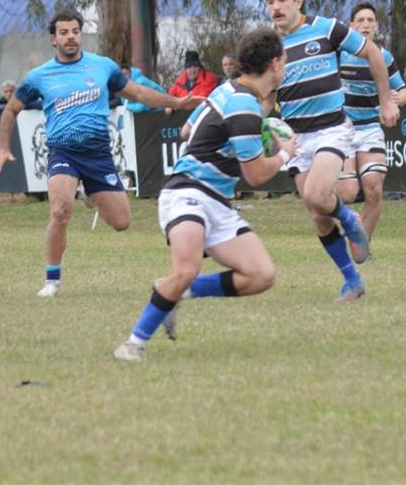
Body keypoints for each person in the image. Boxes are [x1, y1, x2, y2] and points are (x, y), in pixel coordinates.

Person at [0, 10, 201, 297]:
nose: (71, 37)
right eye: (64, 32)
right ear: (53, 39)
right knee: (60, 210)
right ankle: (52, 281)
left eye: (75, 31)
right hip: (63, 151)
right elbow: (11, 110)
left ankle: (88, 191)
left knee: (122, 223)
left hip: (98, 154)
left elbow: (138, 93)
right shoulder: (39, 76)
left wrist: (176, 101)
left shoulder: (102, 66)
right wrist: (3, 148)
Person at [113, 29, 298, 362]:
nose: (285, 66)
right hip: (186, 192)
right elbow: (256, 175)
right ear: (273, 63)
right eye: (284, 60)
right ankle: (132, 343)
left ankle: (179, 293)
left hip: (216, 200)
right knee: (186, 268)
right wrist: (285, 153)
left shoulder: (227, 90)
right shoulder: (244, 106)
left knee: (261, 275)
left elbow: (186, 131)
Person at [263, 0, 399, 301]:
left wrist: (385, 100)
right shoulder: (269, 47)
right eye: (269, 2)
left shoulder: (327, 28)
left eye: (281, 0)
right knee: (318, 215)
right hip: (296, 137)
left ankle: (350, 221)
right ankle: (352, 280)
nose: (275, 7)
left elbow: (373, 53)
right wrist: (256, 119)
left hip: (332, 129)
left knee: (316, 194)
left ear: (298, 2)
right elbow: (267, 97)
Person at [335, 1, 406, 263]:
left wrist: (397, 100)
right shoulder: (339, 53)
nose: (366, 24)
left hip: (369, 129)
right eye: (361, 20)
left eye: (370, 20)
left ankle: (361, 242)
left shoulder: (383, 57)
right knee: (346, 193)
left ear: (376, 26)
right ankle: (349, 220)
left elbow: (403, 91)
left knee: (374, 188)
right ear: (352, 26)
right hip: (342, 128)